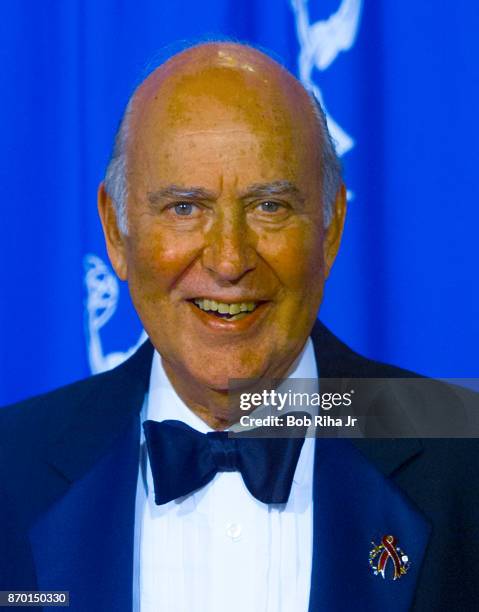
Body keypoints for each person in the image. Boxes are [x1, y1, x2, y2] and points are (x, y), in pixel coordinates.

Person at [0, 42, 478, 612]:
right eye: (184, 207)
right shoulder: (11, 469)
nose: (229, 260)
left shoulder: (463, 451)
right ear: (115, 231)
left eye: (270, 206)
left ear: (330, 229)